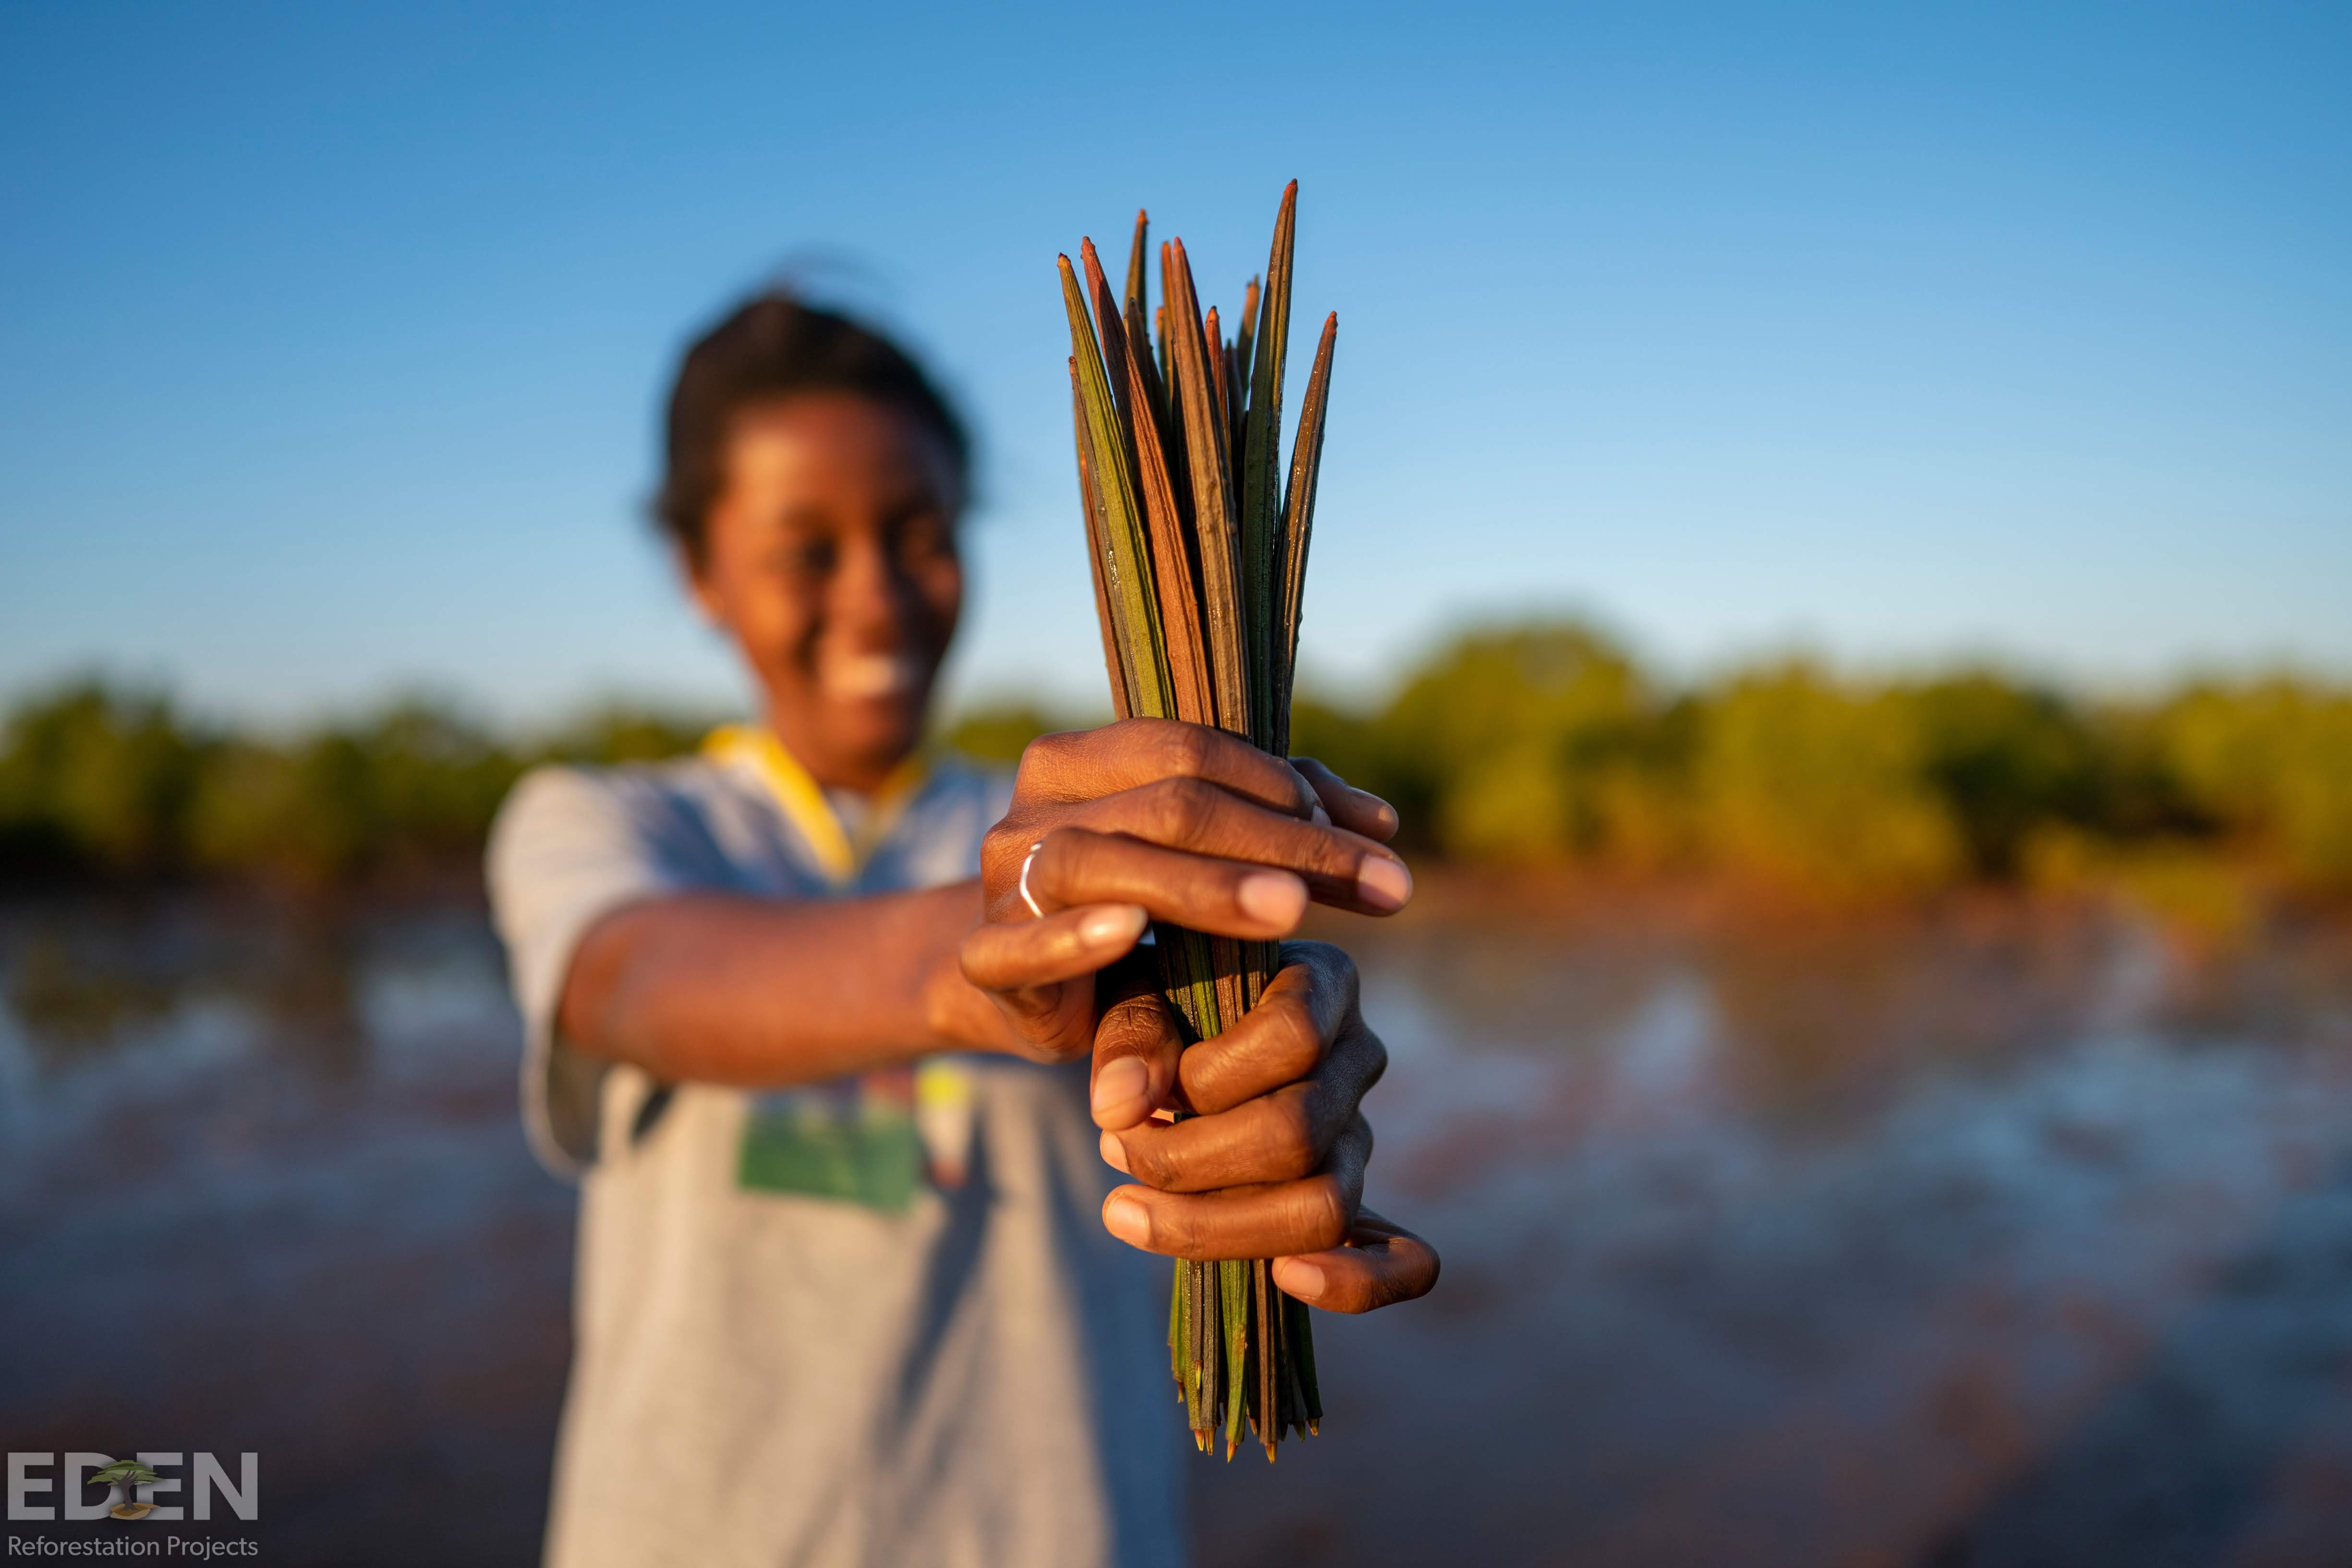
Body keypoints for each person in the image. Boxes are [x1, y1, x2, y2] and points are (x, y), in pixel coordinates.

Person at [485, 292, 1438, 1568]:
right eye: (803, 548)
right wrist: (994, 951)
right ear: (700, 572)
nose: (877, 596)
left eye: (919, 534)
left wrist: (1257, 1045)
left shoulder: (1076, 833)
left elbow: (1171, 1053)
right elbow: (634, 978)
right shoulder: (604, 822)